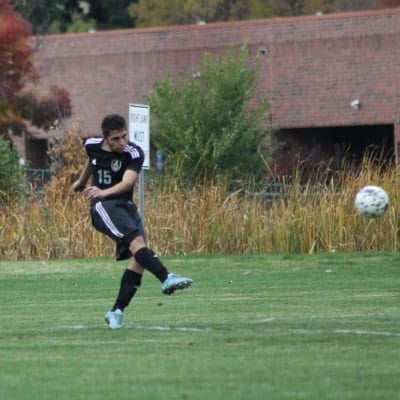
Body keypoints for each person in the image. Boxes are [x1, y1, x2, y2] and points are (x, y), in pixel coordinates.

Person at [71, 114, 193, 329]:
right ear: (106, 138)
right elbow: (93, 160)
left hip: (124, 206)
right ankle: (166, 277)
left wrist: (102, 190)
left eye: (124, 136)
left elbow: (127, 183)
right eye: (116, 139)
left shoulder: (134, 152)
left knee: (139, 257)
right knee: (137, 244)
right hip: (102, 206)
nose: (122, 142)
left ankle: (116, 311)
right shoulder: (91, 144)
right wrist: (81, 182)